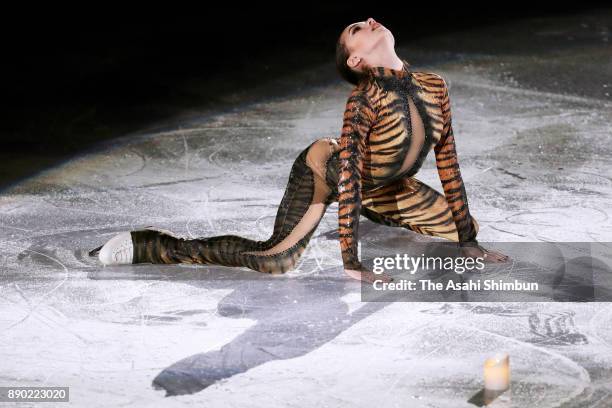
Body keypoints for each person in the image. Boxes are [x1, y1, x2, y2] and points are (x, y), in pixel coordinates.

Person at [89, 17, 508, 283]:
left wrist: (468, 242)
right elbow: (348, 178)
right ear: (356, 60)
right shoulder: (364, 100)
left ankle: (373, 209)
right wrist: (353, 262)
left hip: (386, 184)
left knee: (462, 225)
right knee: (276, 260)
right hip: (327, 175)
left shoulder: (435, 85)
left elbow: (448, 162)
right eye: (356, 29)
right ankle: (151, 244)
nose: (369, 21)